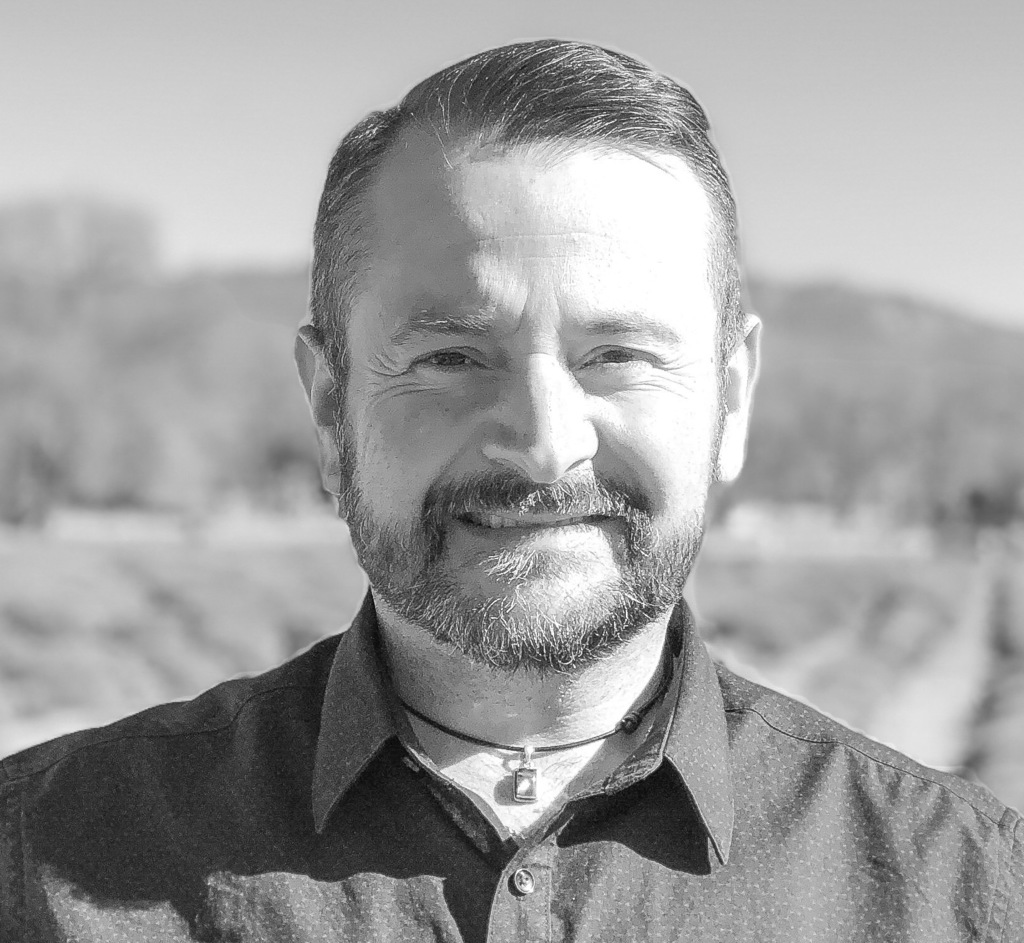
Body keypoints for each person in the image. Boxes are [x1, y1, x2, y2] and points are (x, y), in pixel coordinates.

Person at [1, 38, 1020, 942]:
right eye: (450, 357)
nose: (542, 447)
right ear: (330, 407)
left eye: (618, 355)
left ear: (734, 398)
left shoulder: (963, 891)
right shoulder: (37, 861)